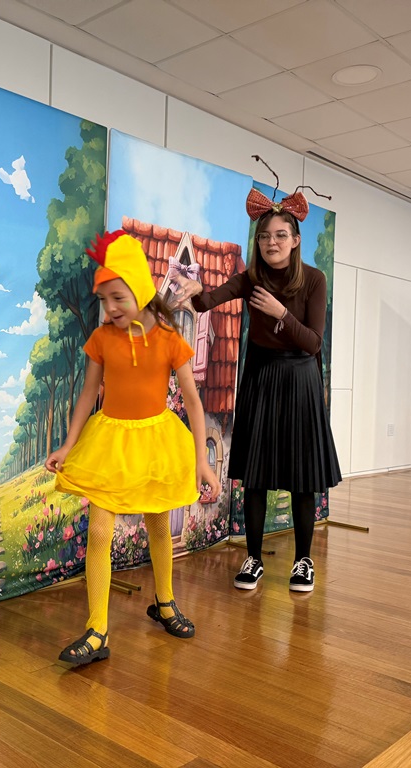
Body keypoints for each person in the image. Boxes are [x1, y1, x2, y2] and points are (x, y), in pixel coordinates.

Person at [45, 230, 221, 666]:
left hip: (155, 443)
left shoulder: (168, 339)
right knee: (99, 532)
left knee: (158, 527)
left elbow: (193, 401)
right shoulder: (103, 338)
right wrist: (68, 445)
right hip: (110, 443)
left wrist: (202, 460)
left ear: (141, 290)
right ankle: (97, 630)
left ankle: (165, 603)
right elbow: (88, 395)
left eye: (118, 298)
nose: (110, 308)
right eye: (104, 300)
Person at [171, 185, 341, 593]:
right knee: (256, 475)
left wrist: (281, 314)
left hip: (300, 379)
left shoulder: (314, 280)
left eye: (280, 235)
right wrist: (195, 292)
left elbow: (313, 343)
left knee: (302, 476)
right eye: (264, 236)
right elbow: (208, 301)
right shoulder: (252, 278)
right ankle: (253, 559)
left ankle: (303, 561)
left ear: (295, 240)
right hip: (261, 377)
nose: (271, 243)